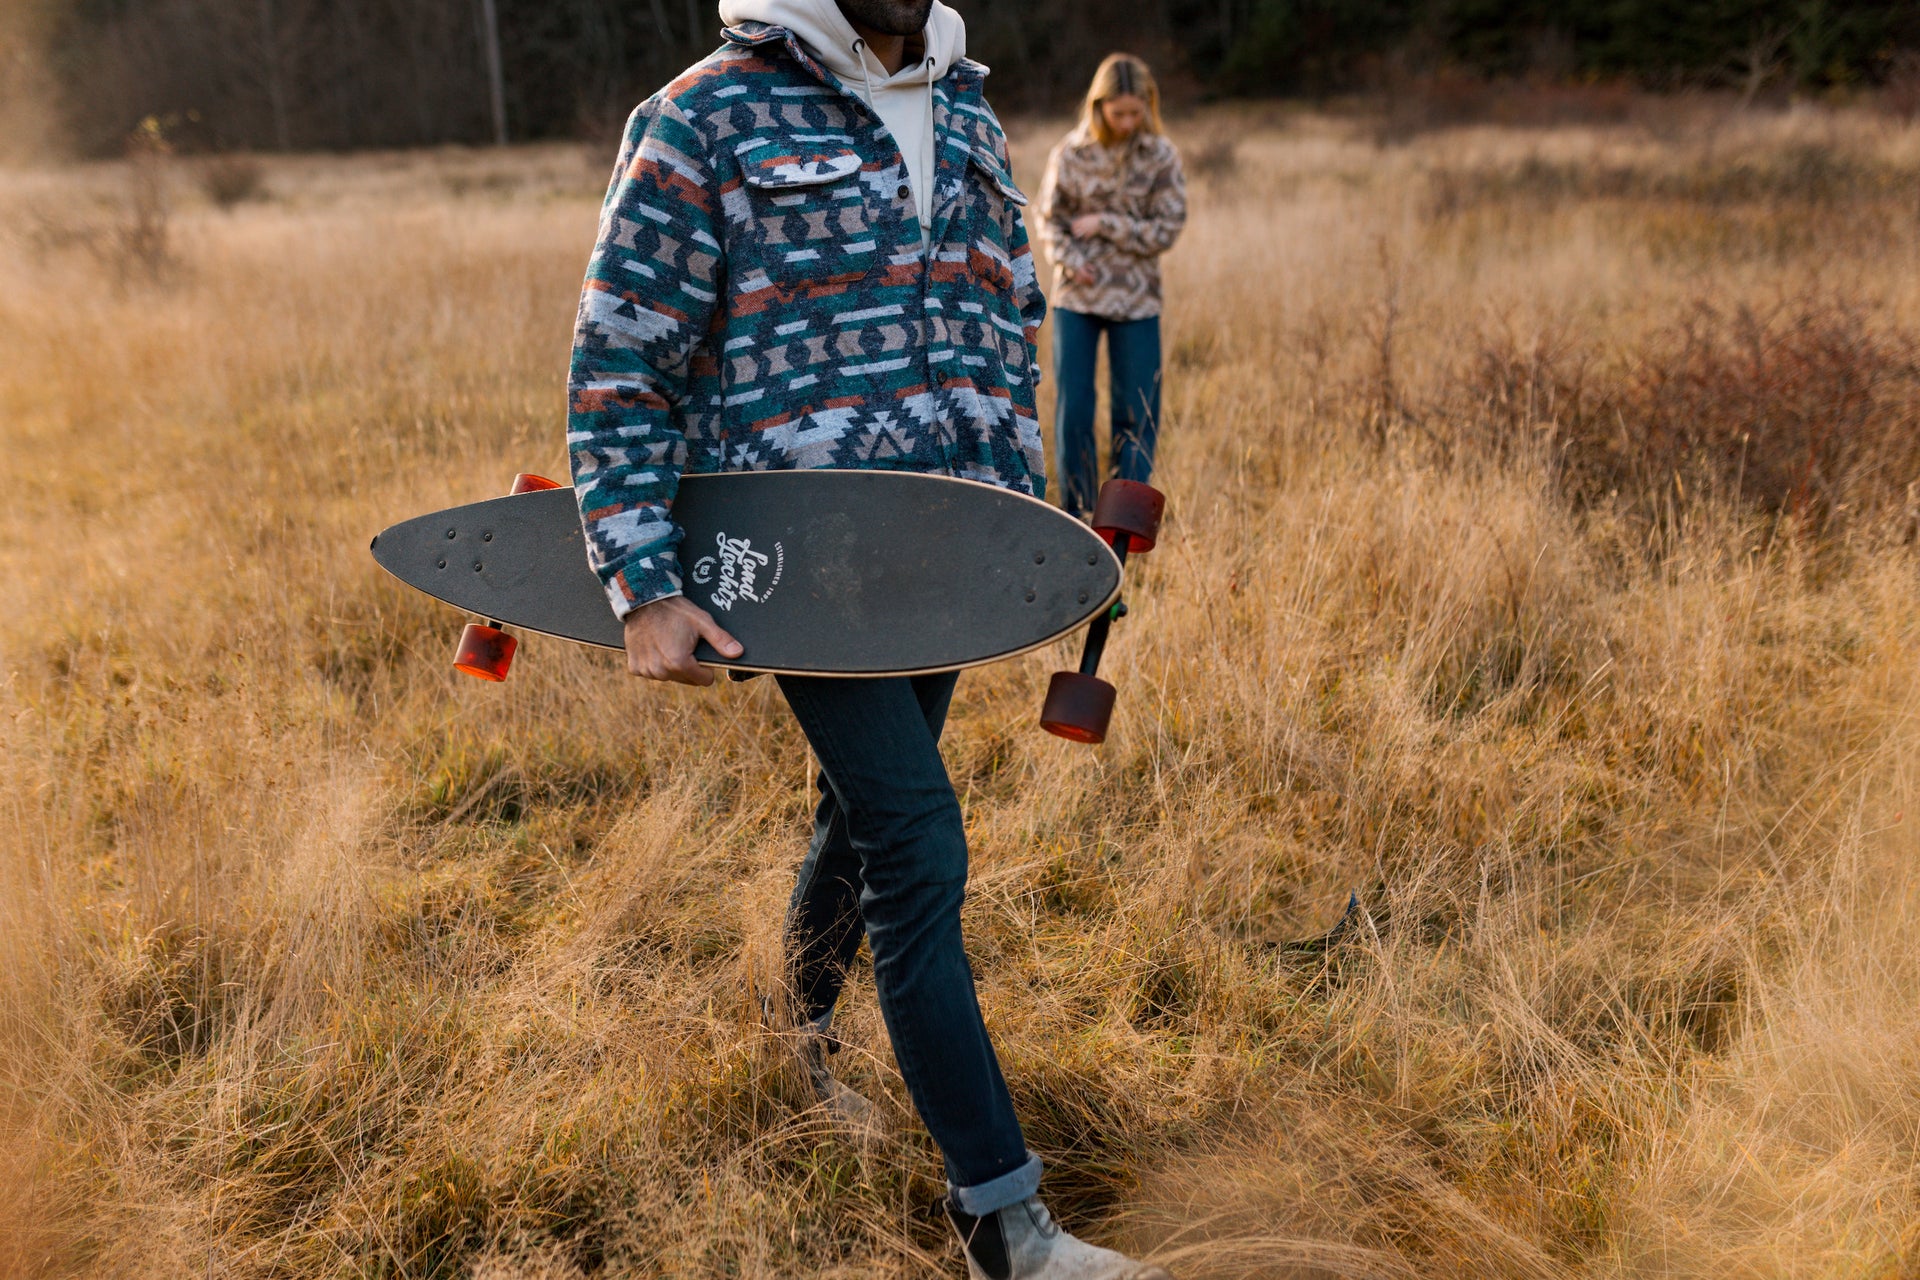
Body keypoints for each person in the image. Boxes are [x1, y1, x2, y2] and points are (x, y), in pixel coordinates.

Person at [566, 3, 1174, 1277]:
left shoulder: (963, 105)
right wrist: (639, 578)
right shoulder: (701, 116)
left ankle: (797, 1046)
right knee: (915, 835)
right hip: (798, 571)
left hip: (941, 559)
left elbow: (1008, 303)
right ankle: (1003, 1220)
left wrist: (1016, 523)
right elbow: (623, 359)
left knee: (857, 820)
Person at [1037, 54, 1187, 520]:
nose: (1125, 122)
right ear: (1098, 105)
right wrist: (1072, 261)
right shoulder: (1071, 152)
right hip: (1077, 299)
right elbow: (1049, 221)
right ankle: (1078, 518)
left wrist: (1107, 224)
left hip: (1137, 300)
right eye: (1116, 112)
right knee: (1075, 410)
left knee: (1137, 413)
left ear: (1149, 105)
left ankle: (1124, 527)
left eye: (1135, 112)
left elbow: (1169, 227)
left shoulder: (1161, 156)